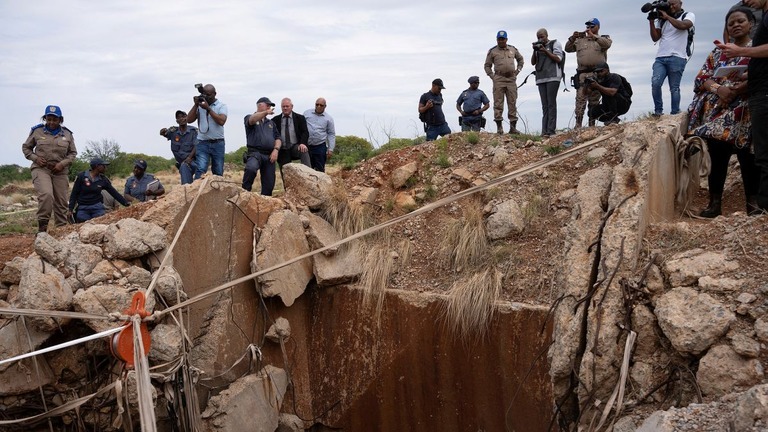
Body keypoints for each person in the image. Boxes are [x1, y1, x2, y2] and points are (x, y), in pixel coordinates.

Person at [717, 1, 768, 214]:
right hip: (752, 95)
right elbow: (702, 78)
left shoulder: (748, 46)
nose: (747, 1)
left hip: (760, 97)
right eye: (731, 23)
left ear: (750, 24)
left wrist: (741, 51)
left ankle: (762, 210)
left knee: (761, 156)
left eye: (741, 21)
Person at [22, 105, 78, 232]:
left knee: (61, 201)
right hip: (41, 169)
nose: (51, 122)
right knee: (46, 195)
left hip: (60, 171)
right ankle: (42, 230)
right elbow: (26, 148)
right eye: (49, 119)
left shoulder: (67, 134)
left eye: (55, 119)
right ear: (45, 118)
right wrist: (35, 158)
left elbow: (73, 153)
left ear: (60, 120)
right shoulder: (37, 131)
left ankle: (61, 231)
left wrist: (62, 164)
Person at [648, 0, 695, 117]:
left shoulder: (688, 15)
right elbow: (655, 38)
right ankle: (658, 112)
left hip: (678, 57)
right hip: (660, 57)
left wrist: (667, 16)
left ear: (680, 3)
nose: (671, 6)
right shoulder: (662, 20)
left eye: (674, 3)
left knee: (674, 87)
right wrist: (651, 22)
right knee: (655, 83)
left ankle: (675, 113)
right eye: (669, 4)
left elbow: (684, 26)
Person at [565, 18, 612, 129]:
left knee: (594, 101)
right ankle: (578, 125)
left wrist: (594, 36)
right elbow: (567, 48)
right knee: (580, 99)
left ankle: (592, 125)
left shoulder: (603, 39)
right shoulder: (580, 40)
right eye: (588, 27)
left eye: (592, 26)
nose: (589, 29)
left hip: (597, 75)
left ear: (598, 27)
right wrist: (572, 38)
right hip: (582, 74)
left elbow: (607, 44)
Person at [484, 30, 525, 134]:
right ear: (497, 40)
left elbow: (521, 60)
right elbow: (487, 65)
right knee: (498, 103)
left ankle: (513, 128)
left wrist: (518, 71)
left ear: (506, 39)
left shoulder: (513, 49)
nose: (501, 41)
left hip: (511, 79)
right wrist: (492, 76)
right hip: (499, 79)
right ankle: (499, 128)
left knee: (512, 102)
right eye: (499, 39)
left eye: (503, 39)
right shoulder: (492, 51)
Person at [69, 158, 129, 223]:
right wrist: (70, 209)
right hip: (83, 208)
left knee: (100, 223)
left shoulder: (103, 179)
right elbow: (74, 193)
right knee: (82, 222)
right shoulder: (81, 176)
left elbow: (114, 193)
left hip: (97, 208)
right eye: (104, 166)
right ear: (97, 166)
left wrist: (126, 203)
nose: (106, 168)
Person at [187, 83, 228, 177]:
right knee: (200, 169)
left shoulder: (221, 106)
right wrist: (196, 105)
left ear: (215, 94)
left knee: (218, 171)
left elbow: (221, 121)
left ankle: (217, 191)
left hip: (218, 143)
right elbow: (189, 120)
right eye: (205, 94)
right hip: (202, 142)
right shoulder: (200, 106)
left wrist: (208, 109)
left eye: (209, 95)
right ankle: (197, 191)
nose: (207, 97)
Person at [243, 97, 281, 195]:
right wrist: (265, 113)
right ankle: (244, 193)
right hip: (255, 153)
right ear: (259, 105)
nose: (269, 107)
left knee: (269, 183)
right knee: (251, 169)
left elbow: (278, 138)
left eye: (270, 106)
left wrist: (276, 150)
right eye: (267, 105)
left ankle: (265, 201)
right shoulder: (249, 117)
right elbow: (251, 120)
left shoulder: (271, 123)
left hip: (269, 155)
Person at [531, 28, 565, 137]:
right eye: (538, 37)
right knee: (544, 106)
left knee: (551, 104)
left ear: (547, 35)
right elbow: (533, 62)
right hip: (541, 78)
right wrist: (535, 50)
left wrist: (545, 50)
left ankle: (551, 130)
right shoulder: (538, 47)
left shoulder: (555, 44)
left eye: (542, 37)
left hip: (553, 77)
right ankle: (544, 131)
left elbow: (558, 58)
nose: (541, 39)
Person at [160, 110, 197, 185]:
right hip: (182, 163)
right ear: (176, 121)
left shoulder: (193, 131)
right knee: (184, 169)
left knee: (200, 176)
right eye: (178, 117)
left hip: (194, 161)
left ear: (187, 118)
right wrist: (162, 132)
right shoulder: (173, 131)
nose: (181, 119)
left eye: (183, 116)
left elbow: (197, 146)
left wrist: (189, 157)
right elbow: (164, 133)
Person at [273, 98, 311, 171]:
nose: (285, 108)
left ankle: (308, 174)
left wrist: (303, 143)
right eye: (283, 106)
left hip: (295, 146)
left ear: (292, 106)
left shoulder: (300, 118)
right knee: (285, 173)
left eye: (287, 106)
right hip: (282, 149)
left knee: (304, 150)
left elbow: (305, 132)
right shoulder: (275, 120)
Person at [304, 98, 336, 172]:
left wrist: (330, 149)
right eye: (317, 104)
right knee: (307, 169)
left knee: (320, 169)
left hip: (320, 146)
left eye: (321, 105)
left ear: (325, 106)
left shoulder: (329, 118)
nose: (318, 106)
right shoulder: (306, 113)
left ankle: (320, 183)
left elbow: (331, 134)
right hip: (307, 146)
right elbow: (301, 128)